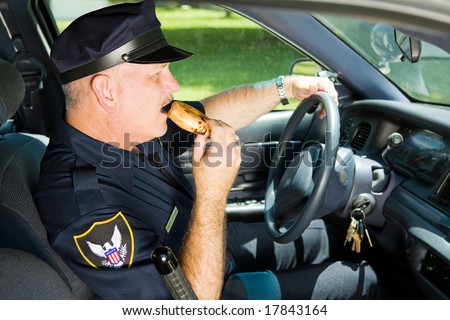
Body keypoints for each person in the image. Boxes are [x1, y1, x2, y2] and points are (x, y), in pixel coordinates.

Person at [35, 0, 380, 300]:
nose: (174, 85)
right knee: (360, 281)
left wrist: (285, 87)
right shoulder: (85, 209)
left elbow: (210, 112)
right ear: (106, 91)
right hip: (207, 286)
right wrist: (213, 194)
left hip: (206, 245)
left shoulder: (125, 126)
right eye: (158, 74)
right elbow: (192, 305)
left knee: (326, 234)